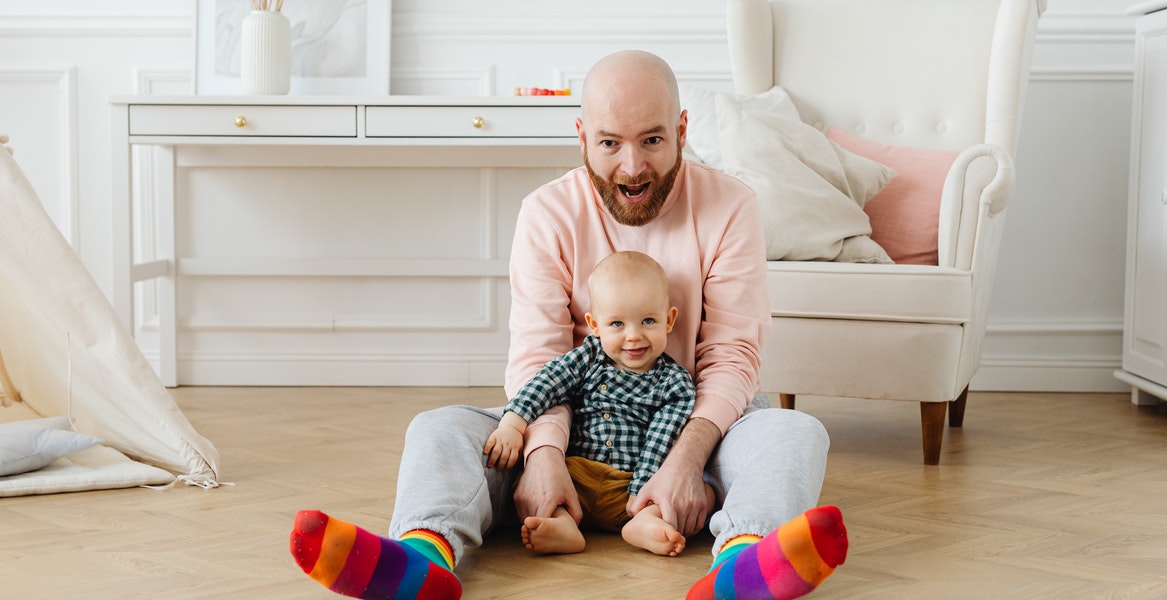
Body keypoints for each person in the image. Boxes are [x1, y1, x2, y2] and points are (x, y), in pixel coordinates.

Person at [289, 50, 847, 600]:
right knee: (437, 427)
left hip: (688, 431)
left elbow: (731, 358)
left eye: (652, 139)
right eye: (609, 143)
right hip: (567, 432)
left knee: (795, 432)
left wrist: (684, 462)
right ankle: (422, 558)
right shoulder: (546, 213)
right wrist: (543, 457)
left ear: (681, 129)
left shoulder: (731, 205)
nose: (631, 167)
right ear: (581, 136)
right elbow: (541, 359)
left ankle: (743, 567)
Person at [483, 250, 712, 557]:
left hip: (632, 484)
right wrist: (514, 422)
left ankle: (645, 523)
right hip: (574, 477)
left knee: (703, 492)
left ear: (669, 320)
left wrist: (639, 495)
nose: (634, 336)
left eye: (648, 320)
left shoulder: (675, 383)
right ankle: (563, 524)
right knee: (528, 477)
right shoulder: (589, 356)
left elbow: (661, 440)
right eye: (617, 323)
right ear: (595, 325)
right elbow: (547, 381)